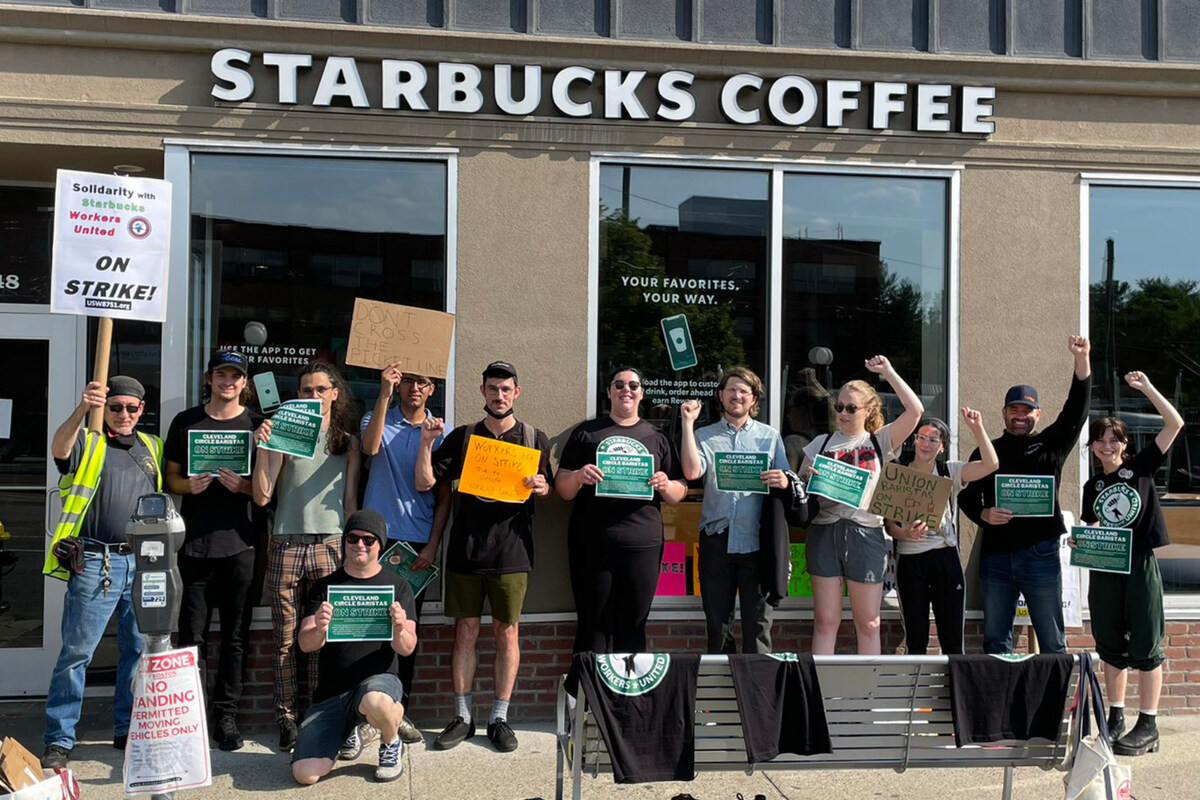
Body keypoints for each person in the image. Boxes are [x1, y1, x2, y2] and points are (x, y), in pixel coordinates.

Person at [414, 361, 553, 753]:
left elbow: (550, 488)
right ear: (482, 392)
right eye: (493, 388)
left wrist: (542, 486)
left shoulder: (533, 438)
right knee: (466, 632)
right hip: (465, 551)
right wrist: (427, 442)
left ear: (516, 393)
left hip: (512, 551)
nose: (499, 395)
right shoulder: (463, 437)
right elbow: (425, 481)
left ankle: (499, 717)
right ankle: (462, 715)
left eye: (506, 389)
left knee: (507, 632)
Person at [40, 377, 162, 769]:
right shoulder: (89, 441)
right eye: (115, 407)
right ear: (104, 409)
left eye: (131, 407)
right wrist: (82, 409)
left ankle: (126, 729)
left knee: (136, 651)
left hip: (143, 562)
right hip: (96, 561)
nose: (123, 414)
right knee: (77, 653)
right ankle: (59, 737)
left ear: (142, 410)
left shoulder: (152, 447)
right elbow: (59, 449)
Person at [1072, 370, 1183, 757]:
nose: (1108, 445)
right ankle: (1115, 717)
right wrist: (1081, 536)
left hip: (1139, 564)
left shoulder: (1141, 469)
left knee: (1147, 644)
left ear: (1125, 444)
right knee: (1110, 645)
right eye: (1101, 440)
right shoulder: (1092, 487)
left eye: (1114, 439)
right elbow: (1092, 525)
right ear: (1092, 447)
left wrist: (1147, 388)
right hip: (1105, 569)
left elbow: (1175, 423)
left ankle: (1148, 724)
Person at [959, 335, 1092, 655]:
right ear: (1004, 413)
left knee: (1052, 640)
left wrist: (1081, 361)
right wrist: (983, 515)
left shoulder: (1052, 444)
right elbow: (965, 497)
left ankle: (1051, 705)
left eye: (1028, 410)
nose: (1021, 415)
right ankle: (1001, 704)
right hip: (995, 557)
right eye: (1014, 409)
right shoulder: (989, 450)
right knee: (995, 640)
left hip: (1041, 555)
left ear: (1038, 414)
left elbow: (1077, 410)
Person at [253, 361, 361, 752]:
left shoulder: (347, 441)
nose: (312, 396)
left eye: (320, 389)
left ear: (335, 394)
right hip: (286, 542)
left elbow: (349, 502)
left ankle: (319, 709)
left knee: (322, 634)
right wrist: (265, 446)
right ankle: (286, 717)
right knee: (284, 637)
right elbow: (262, 495)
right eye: (305, 390)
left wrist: (354, 552)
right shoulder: (285, 434)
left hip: (331, 544)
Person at [163, 349, 264, 751]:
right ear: (209, 379)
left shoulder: (259, 426)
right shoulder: (186, 421)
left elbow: (269, 488)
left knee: (236, 638)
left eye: (236, 376)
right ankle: (190, 718)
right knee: (191, 637)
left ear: (245, 383)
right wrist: (188, 486)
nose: (228, 381)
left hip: (241, 545)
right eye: (221, 374)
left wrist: (246, 488)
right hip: (194, 545)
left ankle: (226, 718)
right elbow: (169, 476)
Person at [556, 366, 688, 654]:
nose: (625, 389)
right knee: (593, 626)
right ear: (609, 392)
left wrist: (665, 484)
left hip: (642, 544)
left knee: (634, 626)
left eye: (633, 385)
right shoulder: (587, 433)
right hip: (592, 543)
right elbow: (563, 489)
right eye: (618, 384)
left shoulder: (657, 436)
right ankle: (589, 698)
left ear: (642, 393)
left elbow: (679, 492)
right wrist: (579, 476)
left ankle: (629, 697)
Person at [798, 356, 924, 655]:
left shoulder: (879, 441)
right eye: (839, 406)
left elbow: (916, 411)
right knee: (826, 622)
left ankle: (867, 698)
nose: (843, 413)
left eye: (851, 408)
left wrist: (889, 373)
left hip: (866, 533)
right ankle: (820, 695)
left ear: (868, 411)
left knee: (868, 623)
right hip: (824, 531)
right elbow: (801, 492)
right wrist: (809, 480)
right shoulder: (820, 443)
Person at [291, 510, 418, 785]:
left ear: (379, 545)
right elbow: (305, 643)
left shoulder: (398, 585)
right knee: (305, 774)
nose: (360, 544)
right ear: (344, 542)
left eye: (368, 540)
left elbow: (407, 647)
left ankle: (390, 741)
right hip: (332, 693)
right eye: (353, 538)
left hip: (380, 684)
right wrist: (320, 628)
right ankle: (350, 727)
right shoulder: (325, 587)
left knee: (375, 701)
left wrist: (398, 628)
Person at [359, 361, 445, 746]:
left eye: (422, 383)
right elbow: (370, 447)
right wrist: (383, 394)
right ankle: (365, 712)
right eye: (408, 381)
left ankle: (400, 708)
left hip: (415, 546)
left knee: (405, 630)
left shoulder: (440, 432)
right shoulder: (377, 417)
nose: (414, 388)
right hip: (376, 539)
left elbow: (443, 497)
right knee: (369, 628)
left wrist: (432, 544)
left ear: (431, 390)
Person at [679, 367, 790, 654]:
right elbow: (692, 472)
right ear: (720, 395)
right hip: (717, 539)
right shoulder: (704, 435)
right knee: (718, 627)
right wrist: (687, 425)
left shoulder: (770, 436)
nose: (736, 395)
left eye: (744, 391)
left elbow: (787, 482)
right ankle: (721, 695)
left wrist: (783, 479)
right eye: (731, 389)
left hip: (757, 541)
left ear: (754, 399)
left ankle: (757, 696)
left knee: (758, 628)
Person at [886, 408, 998, 655]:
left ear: (942, 447)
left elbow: (991, 464)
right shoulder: (899, 472)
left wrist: (977, 428)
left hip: (945, 558)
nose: (926, 443)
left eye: (933, 439)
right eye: (922, 437)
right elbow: (889, 524)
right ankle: (917, 693)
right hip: (910, 561)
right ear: (914, 440)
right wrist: (904, 534)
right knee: (915, 640)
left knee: (953, 641)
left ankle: (953, 693)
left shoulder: (950, 471)